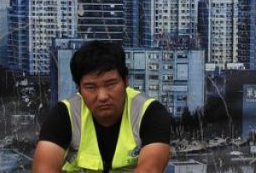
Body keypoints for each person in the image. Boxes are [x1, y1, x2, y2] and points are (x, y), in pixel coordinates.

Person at [33, 40, 172, 173]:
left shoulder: (149, 112)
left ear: (126, 81)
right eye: (91, 87)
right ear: (79, 89)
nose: (102, 96)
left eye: (111, 84)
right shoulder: (64, 114)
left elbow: (150, 169)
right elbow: (44, 168)